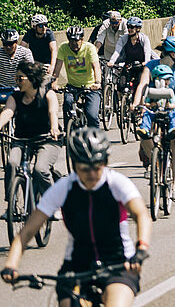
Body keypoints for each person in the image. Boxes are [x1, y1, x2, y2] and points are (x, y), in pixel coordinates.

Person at [2, 128, 152, 307]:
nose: (92, 174)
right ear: (75, 165)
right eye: (85, 168)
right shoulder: (64, 188)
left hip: (118, 264)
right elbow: (27, 232)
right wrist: (11, 264)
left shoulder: (117, 183)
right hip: (77, 264)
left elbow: (141, 214)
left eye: (97, 167)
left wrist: (141, 248)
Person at [0, 62, 64, 203]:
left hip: (47, 139)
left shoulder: (48, 94)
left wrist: (54, 127)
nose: (17, 82)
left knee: (40, 169)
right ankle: (12, 203)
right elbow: (7, 112)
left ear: (31, 78)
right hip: (22, 140)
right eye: (16, 78)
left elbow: (52, 112)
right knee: (12, 163)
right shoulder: (15, 97)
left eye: (20, 78)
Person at [130, 64, 175, 201]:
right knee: (145, 126)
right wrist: (138, 104)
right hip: (154, 112)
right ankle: (155, 162)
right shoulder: (151, 77)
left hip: (171, 112)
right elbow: (142, 88)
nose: (165, 82)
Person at [56, 25, 103, 128]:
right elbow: (57, 67)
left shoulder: (89, 48)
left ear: (82, 39)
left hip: (90, 87)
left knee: (92, 115)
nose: (74, 43)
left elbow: (96, 67)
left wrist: (97, 82)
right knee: (67, 105)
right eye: (71, 40)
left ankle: (95, 138)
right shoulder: (63, 48)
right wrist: (54, 83)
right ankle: (68, 134)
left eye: (77, 40)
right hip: (72, 86)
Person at [24, 14, 58, 84]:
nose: (44, 27)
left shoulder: (49, 33)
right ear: (34, 26)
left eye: (45, 25)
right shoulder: (30, 33)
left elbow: (53, 50)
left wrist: (52, 66)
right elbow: (21, 47)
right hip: (34, 62)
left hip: (46, 64)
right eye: (40, 25)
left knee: (46, 84)